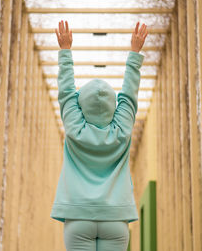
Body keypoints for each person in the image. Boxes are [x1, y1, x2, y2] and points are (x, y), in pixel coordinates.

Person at [51, 20, 149, 251]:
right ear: (114, 108)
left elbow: (66, 93)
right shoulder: (122, 130)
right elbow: (129, 95)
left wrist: (65, 51)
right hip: (116, 219)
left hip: (78, 217)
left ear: (79, 106)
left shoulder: (75, 128)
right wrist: (134, 53)